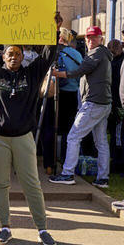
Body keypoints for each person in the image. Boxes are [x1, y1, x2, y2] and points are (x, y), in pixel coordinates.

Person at [0, 11, 60, 245]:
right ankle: (5, 227)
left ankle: (42, 229)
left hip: (23, 137)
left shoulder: (33, 73)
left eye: (17, 53)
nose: (14, 57)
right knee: (0, 183)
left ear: (22, 56)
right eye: (10, 53)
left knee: (32, 184)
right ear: (3, 57)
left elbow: (47, 55)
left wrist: (54, 31)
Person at [50, 26, 112, 189]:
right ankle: (103, 178)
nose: (91, 40)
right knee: (101, 142)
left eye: (94, 37)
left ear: (101, 39)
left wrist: (58, 74)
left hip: (94, 103)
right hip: (103, 103)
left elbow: (78, 71)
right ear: (85, 39)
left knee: (73, 137)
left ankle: (67, 173)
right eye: (88, 38)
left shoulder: (96, 53)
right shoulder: (102, 53)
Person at [50, 28, 83, 167]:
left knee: (53, 127)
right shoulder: (77, 54)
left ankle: (51, 159)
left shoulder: (56, 53)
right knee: (69, 129)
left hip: (57, 93)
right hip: (73, 93)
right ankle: (65, 157)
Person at [107, 40, 124, 173]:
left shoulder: (110, 62)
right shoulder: (116, 62)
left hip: (116, 101)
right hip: (116, 101)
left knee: (117, 133)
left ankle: (117, 161)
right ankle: (116, 160)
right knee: (117, 133)